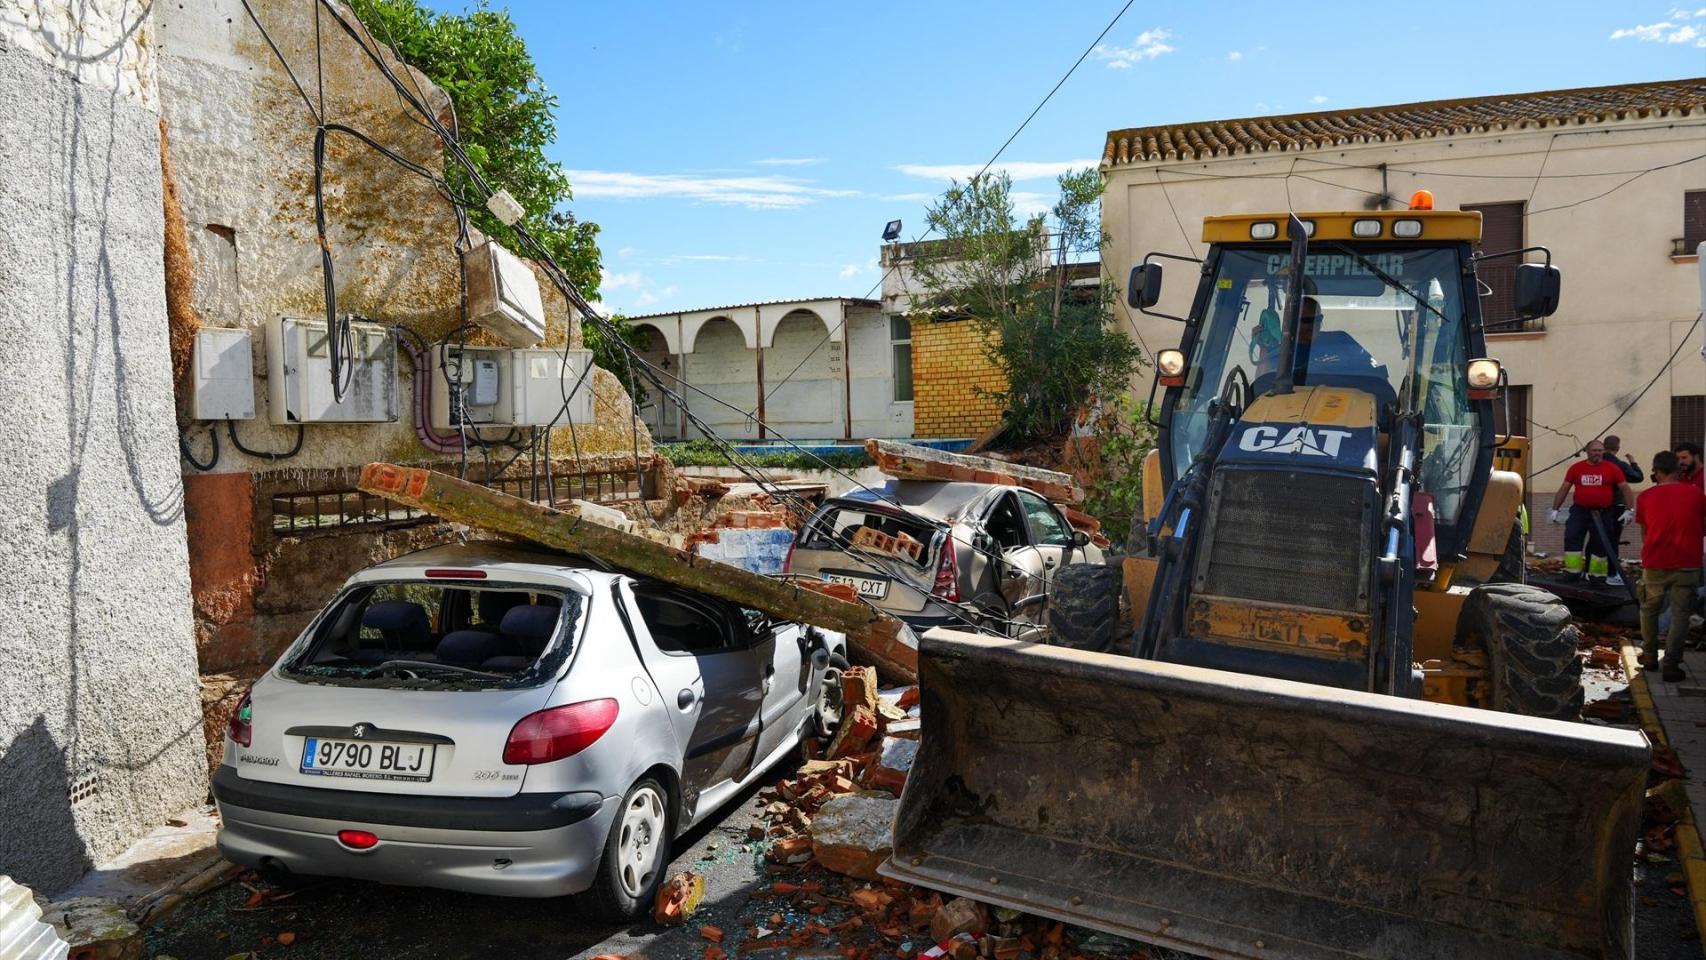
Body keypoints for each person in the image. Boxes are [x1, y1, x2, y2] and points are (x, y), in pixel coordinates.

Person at [1636, 450, 1706, 681]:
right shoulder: (1696, 495)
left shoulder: (1645, 497)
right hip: (1687, 564)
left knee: (1649, 610)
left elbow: (1645, 532)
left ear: (1655, 472)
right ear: (1678, 470)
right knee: (1681, 615)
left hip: (1655, 562)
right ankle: (1671, 665)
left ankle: (1648, 656)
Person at [1550, 439, 1634, 584]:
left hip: (1603, 513)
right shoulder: (1576, 468)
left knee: (1600, 545)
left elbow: (1625, 488)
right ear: (1587, 452)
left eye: (1600, 450)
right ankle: (1572, 573)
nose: (1598, 453)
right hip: (1580, 511)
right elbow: (1564, 488)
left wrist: (1629, 510)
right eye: (1594, 450)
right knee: (1572, 539)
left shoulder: (1612, 468)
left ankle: (1597, 577)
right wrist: (1555, 509)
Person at [1604, 435, 1645, 568]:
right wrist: (1633, 462)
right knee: (1613, 539)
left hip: (1598, 506)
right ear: (1617, 448)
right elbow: (1638, 477)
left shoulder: (1596, 463)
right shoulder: (1619, 465)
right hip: (1616, 505)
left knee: (1598, 539)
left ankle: (1591, 572)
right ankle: (1611, 571)